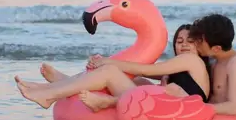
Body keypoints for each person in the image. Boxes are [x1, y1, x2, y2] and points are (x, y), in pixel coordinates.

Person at [14, 24, 211, 111]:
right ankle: (62, 83)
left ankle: (50, 95)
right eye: (179, 40)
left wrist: (109, 61)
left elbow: (146, 69)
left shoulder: (192, 60)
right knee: (135, 79)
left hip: (173, 110)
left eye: (190, 41)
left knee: (111, 72)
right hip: (166, 104)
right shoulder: (179, 67)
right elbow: (144, 75)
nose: (184, 45)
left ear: (199, 45)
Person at [188, 13, 236, 116]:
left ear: (216, 48)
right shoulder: (212, 61)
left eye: (200, 41)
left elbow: (234, 108)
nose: (196, 44)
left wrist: (197, 108)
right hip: (209, 118)